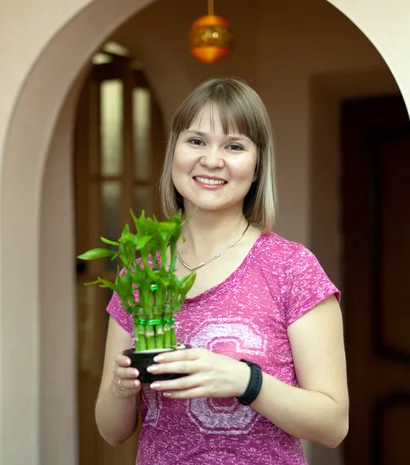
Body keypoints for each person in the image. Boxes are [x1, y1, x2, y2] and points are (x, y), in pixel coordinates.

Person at [94, 77, 349, 464]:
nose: (212, 160)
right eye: (196, 141)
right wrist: (120, 387)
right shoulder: (142, 274)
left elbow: (333, 425)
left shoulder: (291, 268)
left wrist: (245, 381)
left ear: (258, 164)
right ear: (174, 151)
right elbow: (112, 431)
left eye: (234, 146)